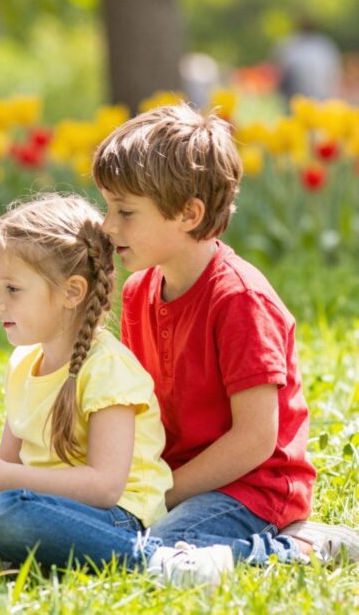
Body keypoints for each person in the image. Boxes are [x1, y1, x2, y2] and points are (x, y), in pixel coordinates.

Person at [0, 194, 234, 586]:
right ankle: (14, 562)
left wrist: (8, 482)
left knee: (6, 513)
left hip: (115, 519)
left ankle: (156, 561)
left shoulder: (107, 370)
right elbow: (7, 466)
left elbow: (104, 488)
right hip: (36, 506)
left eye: (13, 289)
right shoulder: (23, 363)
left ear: (72, 292)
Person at [92, 103, 357, 564]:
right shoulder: (137, 292)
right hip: (174, 480)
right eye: (108, 207)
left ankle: (303, 546)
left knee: (155, 551)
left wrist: (163, 494)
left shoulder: (239, 299)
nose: (108, 225)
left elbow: (255, 440)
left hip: (253, 488)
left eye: (126, 211)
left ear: (189, 214)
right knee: (103, 530)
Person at [273, 18, 342, 104]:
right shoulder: (325, 46)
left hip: (297, 98)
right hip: (317, 98)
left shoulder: (288, 45)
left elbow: (277, 72)